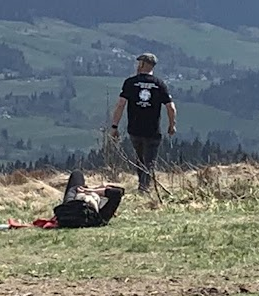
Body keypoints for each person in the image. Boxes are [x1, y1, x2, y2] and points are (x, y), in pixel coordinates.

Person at [109, 52, 176, 195]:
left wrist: (114, 126)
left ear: (142, 64)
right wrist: (172, 125)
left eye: (138, 63)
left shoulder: (130, 83)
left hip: (134, 129)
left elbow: (120, 104)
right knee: (150, 160)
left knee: (139, 159)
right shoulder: (159, 84)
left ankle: (142, 185)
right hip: (153, 130)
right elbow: (171, 107)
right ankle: (145, 187)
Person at [52, 169, 124, 228]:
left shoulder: (102, 216)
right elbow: (118, 192)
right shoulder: (103, 217)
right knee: (77, 186)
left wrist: (90, 190)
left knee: (77, 174)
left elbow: (117, 192)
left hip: (71, 209)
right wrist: (97, 190)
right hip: (78, 216)